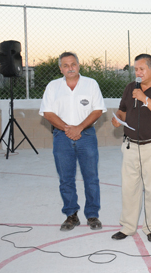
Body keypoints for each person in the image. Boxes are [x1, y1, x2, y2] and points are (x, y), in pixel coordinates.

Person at [110, 54, 151, 242]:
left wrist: (145, 99)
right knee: (129, 189)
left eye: (142, 69)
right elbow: (123, 109)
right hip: (130, 146)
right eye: (136, 69)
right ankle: (128, 227)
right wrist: (118, 118)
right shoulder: (130, 87)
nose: (138, 73)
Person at [39, 52, 106, 231]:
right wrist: (68, 129)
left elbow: (98, 110)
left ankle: (92, 215)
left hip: (87, 136)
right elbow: (48, 112)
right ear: (61, 68)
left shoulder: (91, 84)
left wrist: (80, 128)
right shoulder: (53, 87)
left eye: (73, 64)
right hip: (62, 137)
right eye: (66, 65)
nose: (70, 68)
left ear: (78, 65)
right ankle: (71, 215)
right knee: (66, 179)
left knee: (91, 178)